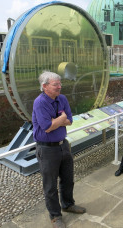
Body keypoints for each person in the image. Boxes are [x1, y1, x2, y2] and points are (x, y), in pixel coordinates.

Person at [32, 71, 86, 228]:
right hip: (47, 149)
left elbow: (69, 120)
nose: (60, 87)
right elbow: (47, 127)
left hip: (63, 145)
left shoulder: (62, 98)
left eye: (60, 83)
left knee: (68, 179)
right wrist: (60, 119)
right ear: (45, 86)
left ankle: (68, 204)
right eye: (56, 84)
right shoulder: (40, 102)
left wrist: (59, 120)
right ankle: (55, 216)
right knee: (50, 186)